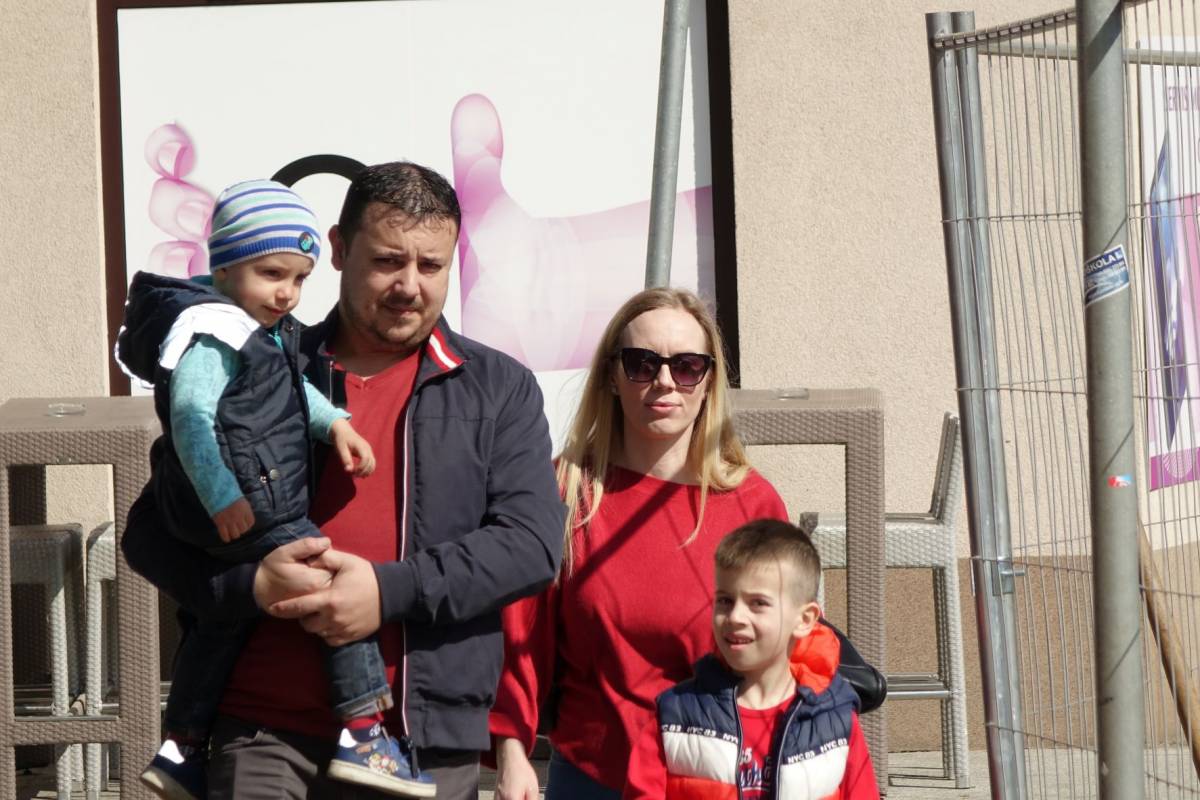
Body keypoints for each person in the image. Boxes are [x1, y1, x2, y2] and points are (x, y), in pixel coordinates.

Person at [120, 162, 565, 800]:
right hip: (263, 732)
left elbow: (530, 546)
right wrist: (251, 586)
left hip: (421, 745)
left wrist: (388, 591)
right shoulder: (259, 361)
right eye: (388, 261)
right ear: (338, 248)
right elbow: (149, 533)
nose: (409, 286)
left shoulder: (497, 388)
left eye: (431, 266)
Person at [118, 179, 433, 799]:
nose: (287, 293)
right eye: (271, 274)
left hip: (248, 498)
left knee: (220, 627)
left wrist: (335, 424)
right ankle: (365, 734)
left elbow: (287, 392)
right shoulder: (213, 333)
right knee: (334, 591)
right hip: (255, 504)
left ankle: (182, 747)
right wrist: (224, 498)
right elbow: (190, 417)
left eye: (299, 278)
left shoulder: (252, 327)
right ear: (224, 265)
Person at [490, 286, 792, 799]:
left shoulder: (752, 504)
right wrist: (512, 755)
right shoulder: (566, 490)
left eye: (687, 366)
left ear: (709, 380)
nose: (665, 382)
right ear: (612, 375)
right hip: (592, 776)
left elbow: (784, 658)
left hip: (718, 776)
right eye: (642, 364)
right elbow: (520, 638)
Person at [623, 518, 878, 799]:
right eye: (725, 600)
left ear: (805, 620)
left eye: (758, 603)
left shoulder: (836, 720)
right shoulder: (674, 717)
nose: (735, 617)